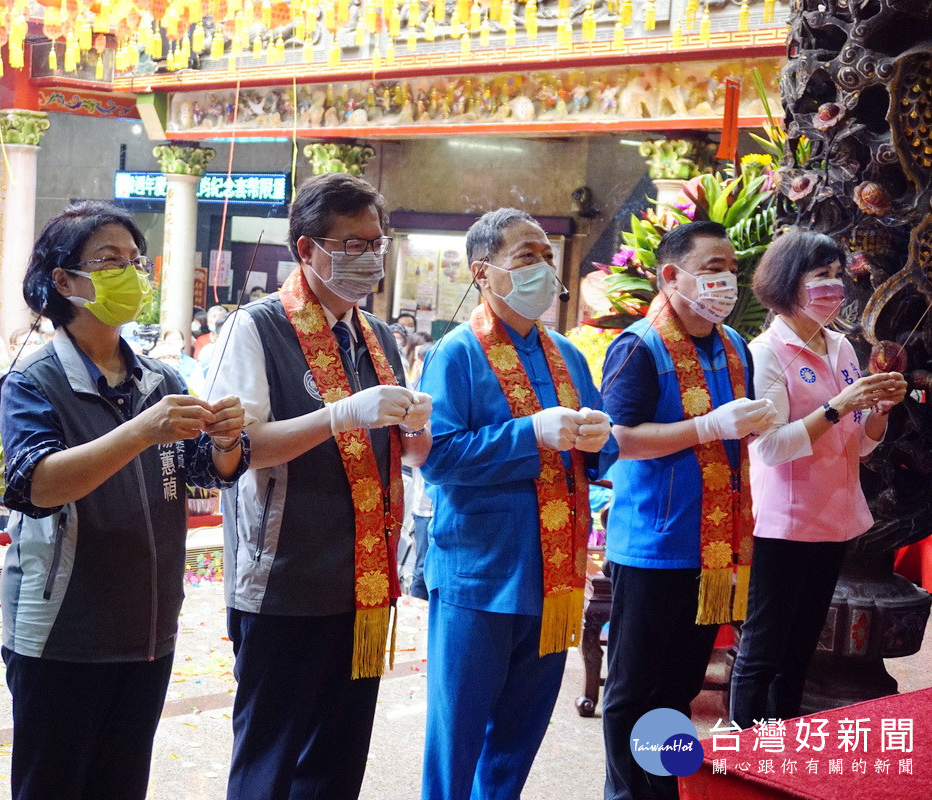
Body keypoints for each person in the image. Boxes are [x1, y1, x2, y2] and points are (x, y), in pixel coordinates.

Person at [0, 200, 249, 800]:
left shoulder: (159, 379)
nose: (129, 276)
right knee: (54, 785)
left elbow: (203, 474)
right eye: (109, 261)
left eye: (136, 263)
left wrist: (228, 442)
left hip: (148, 625)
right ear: (62, 280)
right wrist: (140, 430)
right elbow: (37, 485)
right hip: (63, 629)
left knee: (121, 785)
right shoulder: (34, 382)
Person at [206, 172, 433, 800]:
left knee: (336, 763)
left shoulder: (377, 335)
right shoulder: (254, 328)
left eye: (376, 244)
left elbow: (409, 455)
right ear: (307, 250)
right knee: (269, 759)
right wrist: (340, 415)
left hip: (362, 582)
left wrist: (416, 425)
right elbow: (237, 448)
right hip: (285, 577)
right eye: (353, 245)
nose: (369, 258)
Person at [418, 208, 615, 800]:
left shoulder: (568, 356)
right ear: (484, 272)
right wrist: (530, 434)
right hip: (481, 574)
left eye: (548, 257)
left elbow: (595, 453)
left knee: (520, 736)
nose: (542, 269)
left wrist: (599, 440)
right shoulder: (456, 354)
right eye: (526, 257)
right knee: (457, 736)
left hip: (553, 578)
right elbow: (438, 458)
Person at [599, 220, 776, 800]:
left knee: (678, 688)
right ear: (671, 276)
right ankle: (627, 794)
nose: (726, 280)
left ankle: (662, 789)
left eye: (731, 268)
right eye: (712, 268)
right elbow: (619, 437)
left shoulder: (733, 347)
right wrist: (705, 427)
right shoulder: (639, 346)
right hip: (655, 543)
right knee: (633, 688)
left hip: (715, 545)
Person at [730, 230, 906, 729]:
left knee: (801, 648)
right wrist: (839, 405)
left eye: (836, 276)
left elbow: (862, 441)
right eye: (820, 276)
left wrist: (878, 410)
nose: (833, 287)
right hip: (782, 523)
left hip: (833, 516)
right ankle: (745, 752)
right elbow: (771, 446)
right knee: (764, 647)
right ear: (788, 283)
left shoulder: (842, 347)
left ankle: (781, 752)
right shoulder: (765, 352)